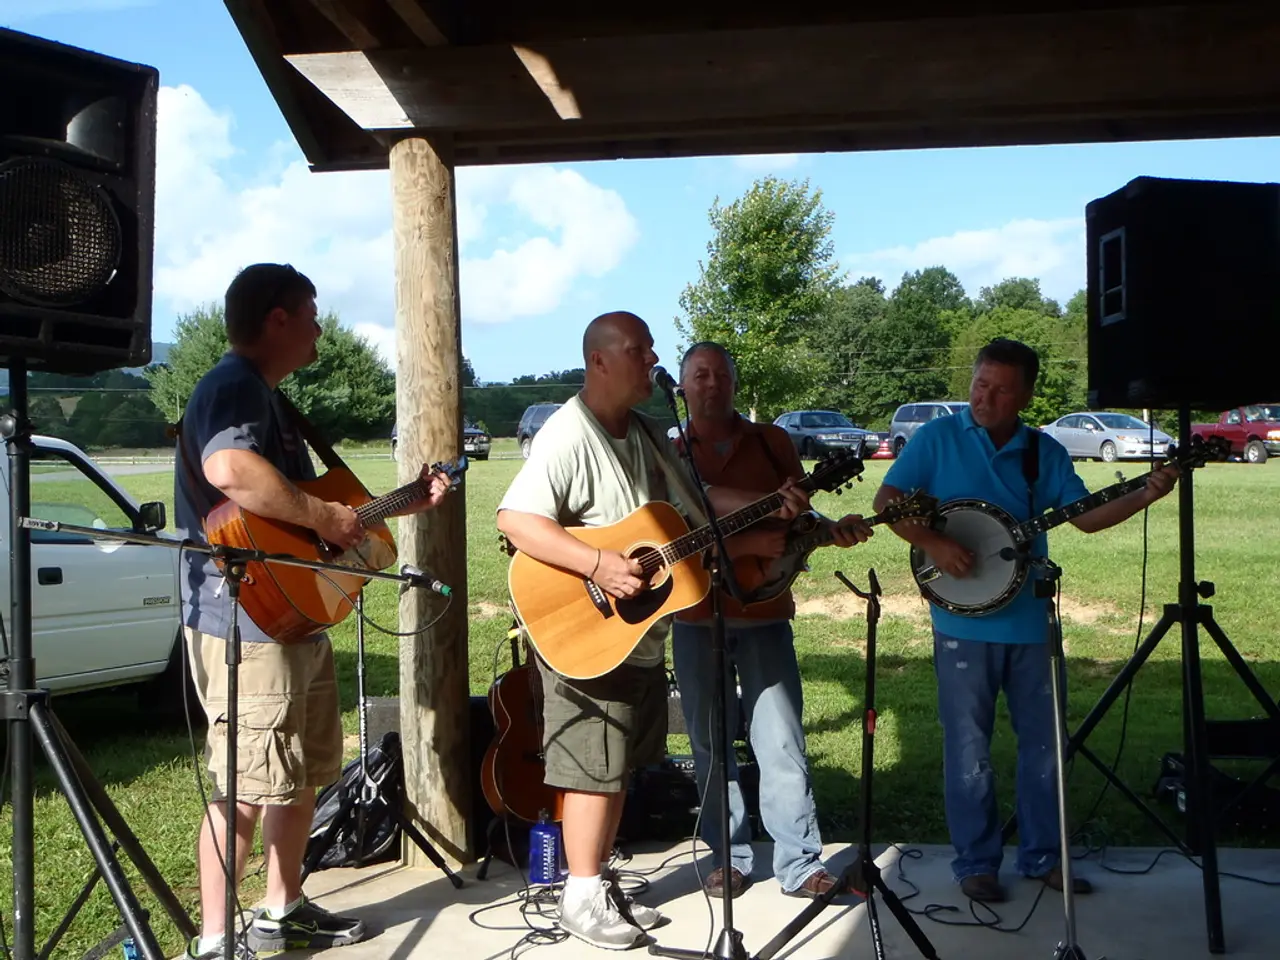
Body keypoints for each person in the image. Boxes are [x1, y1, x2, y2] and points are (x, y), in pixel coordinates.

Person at [496, 312, 812, 950]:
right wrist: (598, 564)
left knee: (616, 767)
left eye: (650, 349)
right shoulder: (568, 433)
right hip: (585, 621)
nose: (652, 360)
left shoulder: (643, 432)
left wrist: (768, 505)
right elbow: (515, 520)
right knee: (591, 767)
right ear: (600, 362)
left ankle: (595, 883)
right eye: (639, 351)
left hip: (634, 633)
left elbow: (698, 501)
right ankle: (580, 897)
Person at [175, 263, 452, 959]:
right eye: (311, 314)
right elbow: (231, 472)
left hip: (291, 614)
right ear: (277, 321)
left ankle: (283, 908)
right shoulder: (234, 385)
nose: (321, 329)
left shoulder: (272, 400)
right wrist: (324, 513)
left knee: (298, 775)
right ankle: (215, 943)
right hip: (246, 622)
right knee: (244, 785)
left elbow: (309, 520)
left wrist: (398, 503)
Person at [873, 338, 1178, 903]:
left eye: (999, 389)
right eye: (979, 384)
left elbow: (1084, 518)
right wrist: (933, 542)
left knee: (1044, 746)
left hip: (1031, 622)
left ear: (1026, 395)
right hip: (961, 622)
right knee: (968, 748)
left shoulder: (1043, 451)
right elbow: (887, 500)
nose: (983, 397)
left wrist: (1145, 494)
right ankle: (976, 864)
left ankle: (1044, 856)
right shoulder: (938, 438)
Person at [671, 341, 873, 900]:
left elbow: (798, 511)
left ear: (734, 383)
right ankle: (727, 856)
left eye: (722, 374)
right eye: (700, 375)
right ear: (683, 387)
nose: (712, 384)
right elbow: (674, 520)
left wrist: (829, 527)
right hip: (694, 614)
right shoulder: (671, 452)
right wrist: (749, 531)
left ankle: (800, 863)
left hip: (764, 609)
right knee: (710, 744)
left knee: (780, 739)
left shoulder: (773, 441)